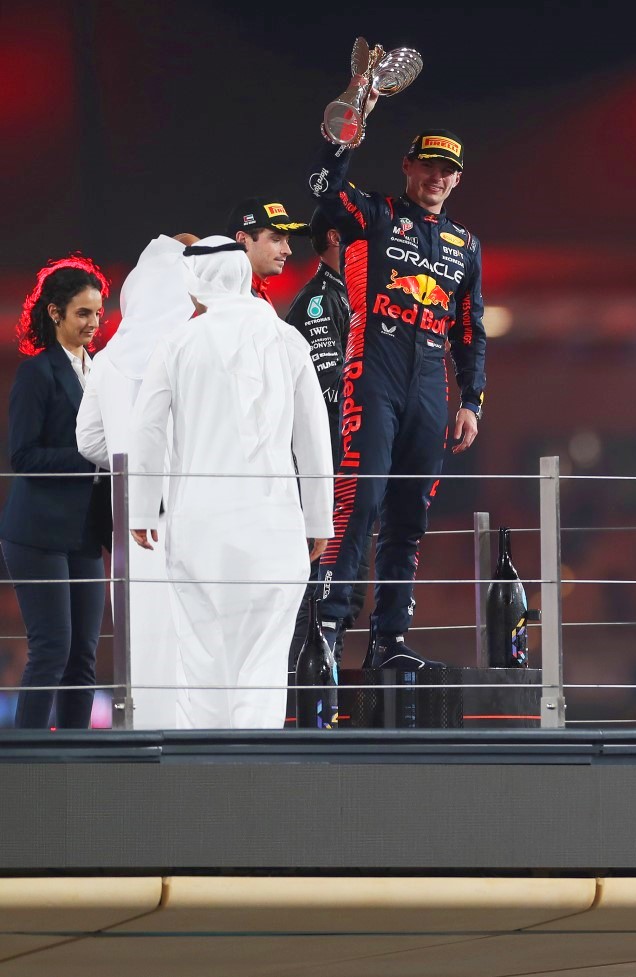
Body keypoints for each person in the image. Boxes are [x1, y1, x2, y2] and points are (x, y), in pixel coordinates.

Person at [128, 238, 332, 729]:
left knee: (203, 659)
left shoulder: (178, 343)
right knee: (264, 660)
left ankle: (209, 776)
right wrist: (318, 519)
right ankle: (256, 773)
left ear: (195, 284)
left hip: (199, 529)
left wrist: (139, 511)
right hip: (276, 528)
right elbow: (313, 436)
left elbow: (147, 429)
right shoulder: (287, 340)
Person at [309, 125, 486, 668]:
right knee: (357, 504)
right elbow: (325, 189)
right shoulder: (376, 214)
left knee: (409, 516)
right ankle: (325, 632)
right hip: (374, 371)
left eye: (447, 170)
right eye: (428, 166)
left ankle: (389, 641)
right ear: (408, 167)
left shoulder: (466, 245)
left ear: (457, 179)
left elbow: (471, 329)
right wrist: (345, 132)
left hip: (431, 385)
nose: (437, 177)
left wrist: (471, 401)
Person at [75, 233, 210, 729]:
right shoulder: (189, 351)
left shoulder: (107, 361)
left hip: (129, 517)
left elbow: (87, 440)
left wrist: (122, 458)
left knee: (139, 632)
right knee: (193, 630)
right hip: (188, 509)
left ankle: (143, 734)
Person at [0, 257, 112, 729]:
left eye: (98, 314)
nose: (93, 323)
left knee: (83, 656)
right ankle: (27, 763)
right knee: (52, 650)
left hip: (86, 532)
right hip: (37, 532)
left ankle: (77, 758)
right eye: (83, 313)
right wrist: (90, 456)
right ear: (54, 314)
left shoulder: (104, 372)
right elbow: (22, 457)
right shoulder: (37, 373)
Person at [283, 210, 364, 668]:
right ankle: (303, 711)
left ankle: (325, 704)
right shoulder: (317, 301)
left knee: (346, 597)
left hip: (351, 470)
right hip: (325, 477)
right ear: (336, 238)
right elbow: (330, 386)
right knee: (318, 601)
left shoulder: (358, 297)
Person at [228, 197, 308, 303]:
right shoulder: (226, 296)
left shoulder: (256, 292)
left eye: (287, 240)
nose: (287, 251)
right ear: (243, 240)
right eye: (276, 239)